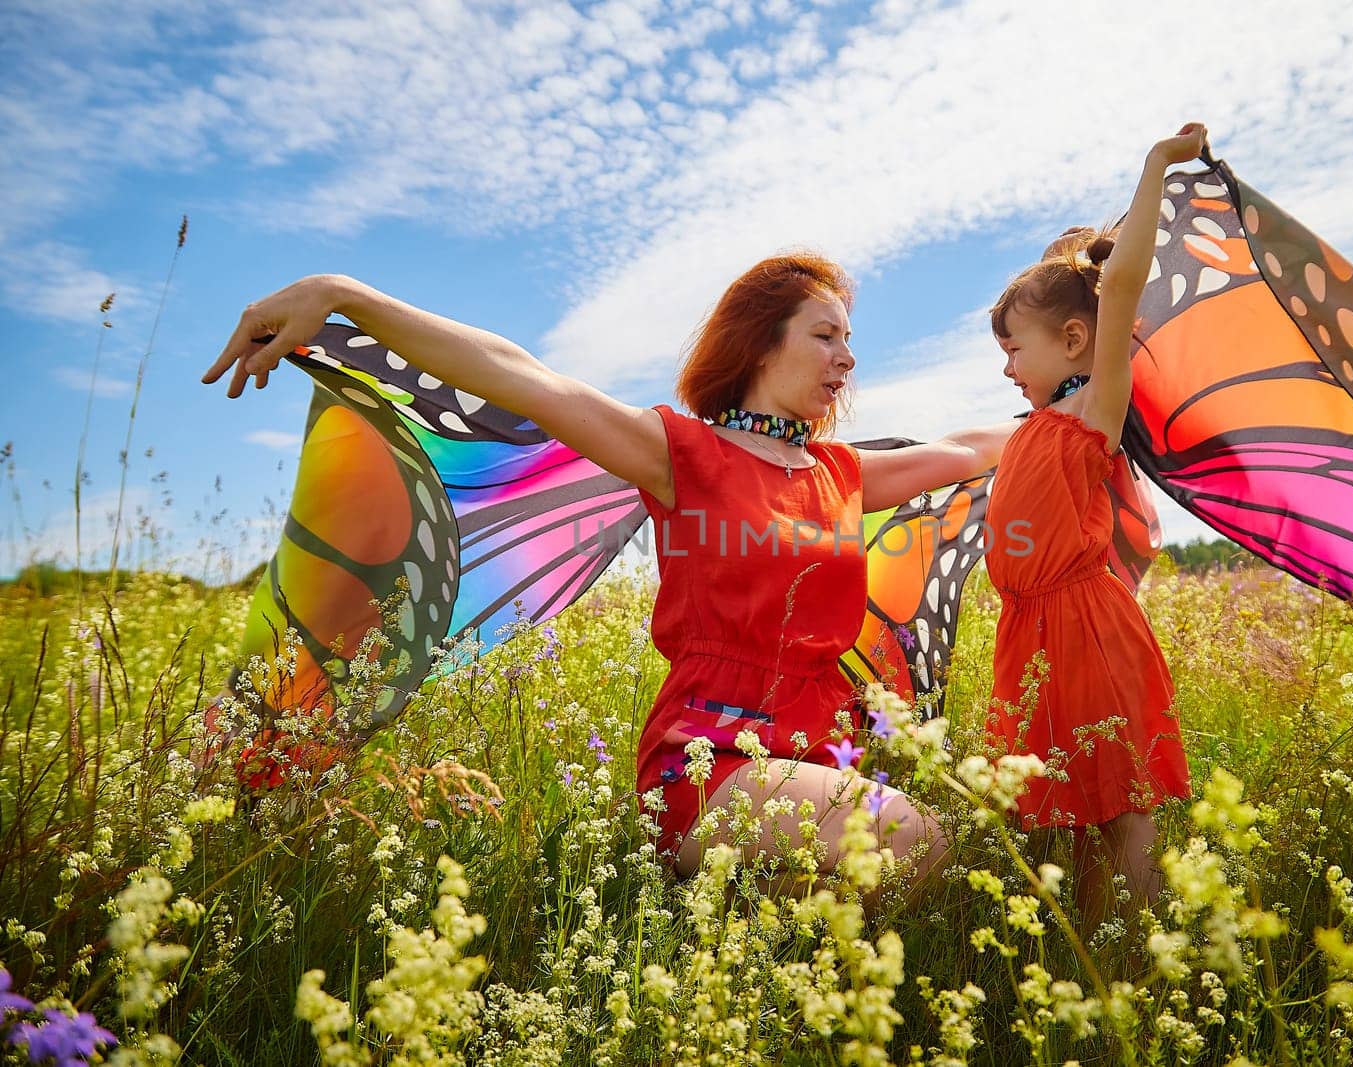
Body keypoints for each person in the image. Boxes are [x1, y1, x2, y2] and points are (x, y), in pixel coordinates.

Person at [203, 253, 1016, 885]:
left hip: (820, 751)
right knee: (916, 838)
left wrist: (1088, 399)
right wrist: (344, 294)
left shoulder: (841, 474)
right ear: (763, 339)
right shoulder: (678, 452)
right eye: (826, 334)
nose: (848, 357)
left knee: (848, 925)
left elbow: (970, 450)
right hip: (712, 757)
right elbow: (520, 373)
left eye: (849, 338)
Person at [983, 126, 1207, 930]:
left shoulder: (1091, 410)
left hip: (1086, 622)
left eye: (1014, 348)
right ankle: (1095, 952)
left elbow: (1121, 285)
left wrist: (1155, 166)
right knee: (1058, 808)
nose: (1006, 366)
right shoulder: (1031, 426)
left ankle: (1146, 947)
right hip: (1029, 633)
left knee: (1121, 802)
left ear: (1073, 340)